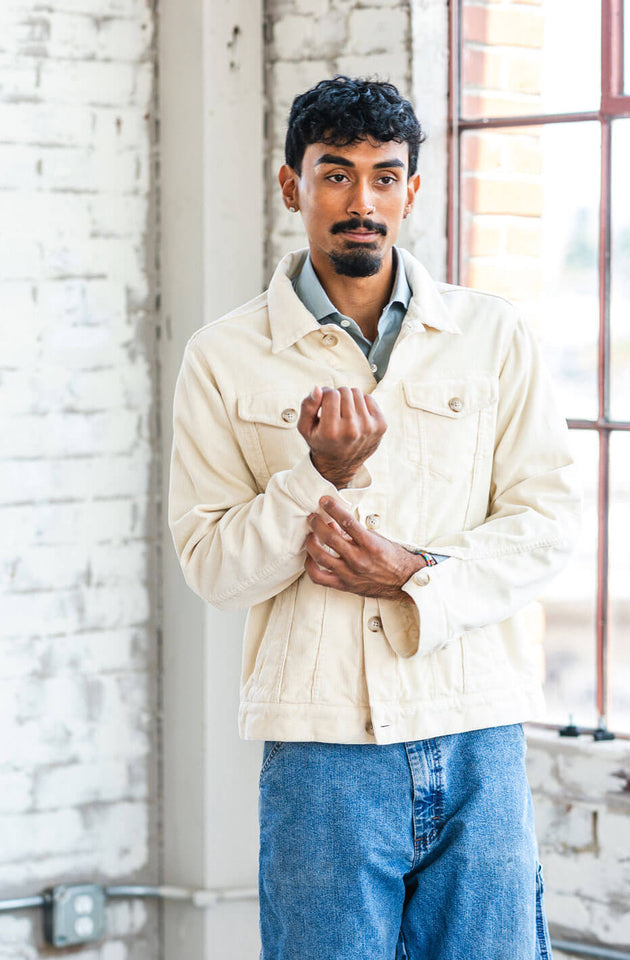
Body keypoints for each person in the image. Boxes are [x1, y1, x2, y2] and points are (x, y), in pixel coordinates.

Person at [168, 76, 580, 960]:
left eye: (386, 177)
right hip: (322, 750)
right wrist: (319, 476)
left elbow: (544, 525)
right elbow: (212, 565)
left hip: (477, 728)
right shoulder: (222, 357)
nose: (364, 202)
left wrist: (408, 570)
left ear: (413, 190)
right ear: (292, 186)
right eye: (336, 175)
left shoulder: (493, 336)